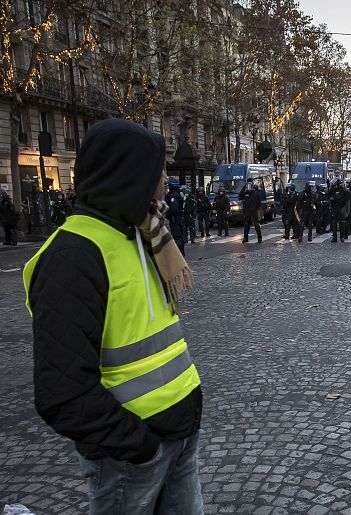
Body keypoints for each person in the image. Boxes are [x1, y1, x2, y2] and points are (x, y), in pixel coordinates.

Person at [22, 118, 203, 514]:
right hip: (133, 454)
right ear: (131, 174)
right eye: (159, 170)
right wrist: (140, 448)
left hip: (177, 436)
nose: (166, 180)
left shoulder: (143, 234)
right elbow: (62, 392)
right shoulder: (73, 255)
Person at [165, 178, 185, 256]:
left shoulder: (174, 196)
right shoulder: (178, 193)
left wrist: (166, 214)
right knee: (179, 237)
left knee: (177, 238)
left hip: (175, 220)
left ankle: (179, 255)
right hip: (178, 219)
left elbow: (174, 209)